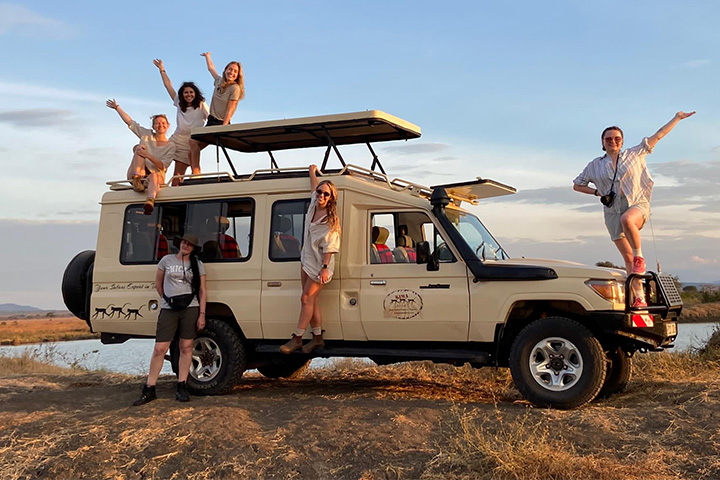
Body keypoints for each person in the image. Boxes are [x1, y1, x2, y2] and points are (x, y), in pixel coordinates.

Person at [573, 111, 695, 306]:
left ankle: (640, 255)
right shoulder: (594, 165)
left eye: (617, 138)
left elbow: (659, 135)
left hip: (636, 203)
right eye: (609, 139)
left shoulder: (634, 153)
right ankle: (638, 297)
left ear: (622, 141)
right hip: (612, 210)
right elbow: (577, 185)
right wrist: (597, 193)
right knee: (627, 258)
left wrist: (677, 118)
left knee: (628, 222)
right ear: (603, 142)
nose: (613, 141)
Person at [133, 233, 207, 405]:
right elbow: (158, 284)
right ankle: (150, 387)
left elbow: (202, 290)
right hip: (169, 308)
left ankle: (182, 385)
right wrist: (168, 299)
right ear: (179, 243)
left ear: (193, 248)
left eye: (190, 244)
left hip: (191, 307)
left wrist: (202, 314)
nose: (186, 246)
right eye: (184, 242)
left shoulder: (197, 264)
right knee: (160, 348)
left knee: (186, 346)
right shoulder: (166, 261)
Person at [280, 165, 341, 354]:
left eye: (326, 194)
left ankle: (297, 338)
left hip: (320, 265)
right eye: (319, 192)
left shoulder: (331, 221)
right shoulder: (314, 204)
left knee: (305, 298)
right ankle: (317, 338)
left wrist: (324, 267)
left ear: (331, 198)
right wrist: (312, 173)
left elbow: (330, 247)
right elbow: (313, 187)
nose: (321, 196)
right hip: (306, 259)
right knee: (311, 300)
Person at [106, 99, 176, 215]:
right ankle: (136, 178)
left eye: (163, 123)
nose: (160, 125)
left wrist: (147, 155)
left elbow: (163, 166)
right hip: (139, 172)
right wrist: (117, 107)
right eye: (157, 123)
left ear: (168, 126)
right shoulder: (147, 134)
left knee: (154, 175)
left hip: (155, 175)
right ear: (153, 126)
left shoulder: (171, 146)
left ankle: (150, 200)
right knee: (139, 147)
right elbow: (130, 123)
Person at [152, 59, 209, 186]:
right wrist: (162, 69)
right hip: (176, 138)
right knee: (157, 155)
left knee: (178, 174)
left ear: (195, 93)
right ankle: (152, 181)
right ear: (182, 95)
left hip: (190, 140)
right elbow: (168, 86)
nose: (188, 95)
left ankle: (175, 195)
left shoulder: (201, 104)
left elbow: (211, 119)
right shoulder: (179, 102)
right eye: (186, 92)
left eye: (191, 92)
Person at [188, 52, 245, 175]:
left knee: (193, 142)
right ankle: (196, 173)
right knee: (191, 150)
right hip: (211, 121)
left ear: (237, 76)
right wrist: (208, 56)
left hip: (220, 122)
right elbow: (211, 68)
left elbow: (231, 108)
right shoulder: (219, 81)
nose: (232, 72)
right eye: (230, 69)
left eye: (235, 71)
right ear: (225, 70)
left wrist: (224, 126)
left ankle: (196, 174)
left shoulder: (235, 88)